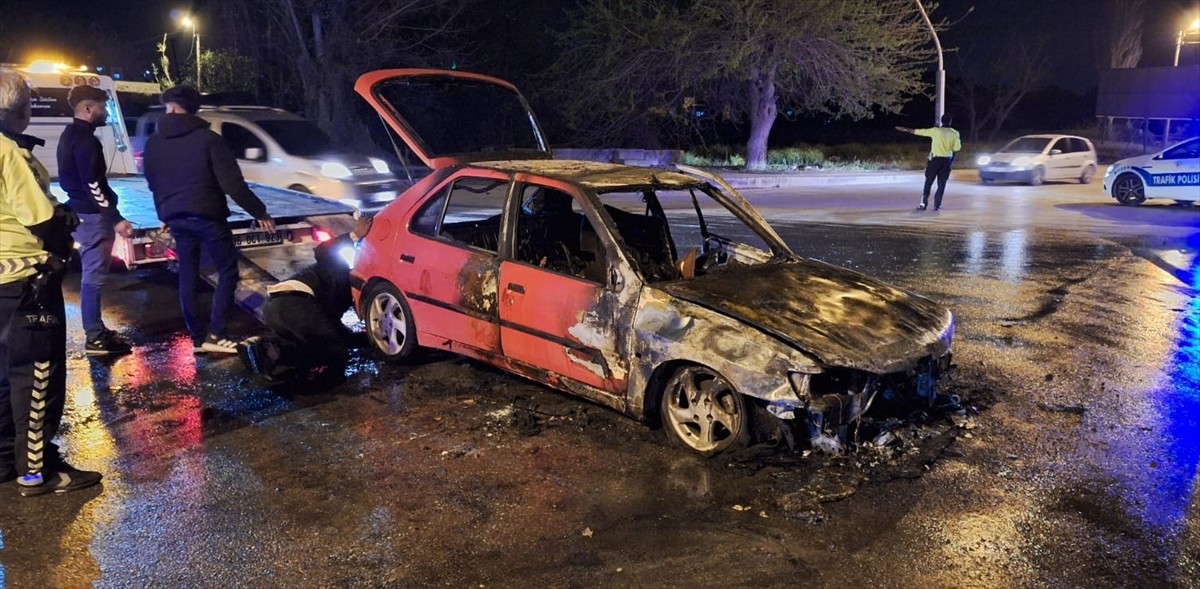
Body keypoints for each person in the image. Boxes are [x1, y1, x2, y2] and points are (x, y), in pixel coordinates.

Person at [1, 68, 103, 495]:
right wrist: (66, 230)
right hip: (27, 283)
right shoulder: (9, 152)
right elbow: (41, 217)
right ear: (19, 108)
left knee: (5, 377)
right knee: (37, 377)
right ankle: (36, 472)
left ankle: (8, 459)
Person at [143, 85, 275, 354]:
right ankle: (216, 333)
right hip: (208, 217)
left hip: (176, 217)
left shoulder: (153, 143)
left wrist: (165, 214)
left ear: (168, 107)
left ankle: (198, 337)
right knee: (227, 272)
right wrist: (260, 212)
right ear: (193, 108)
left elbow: (154, 183)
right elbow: (233, 185)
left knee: (188, 276)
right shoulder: (209, 139)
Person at [240, 215, 372, 382]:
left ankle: (272, 351)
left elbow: (341, 334)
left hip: (274, 308)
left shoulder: (335, 282)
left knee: (319, 345)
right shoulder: (341, 269)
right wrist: (356, 234)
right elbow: (322, 250)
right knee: (335, 352)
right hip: (296, 305)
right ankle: (270, 351)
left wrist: (373, 339)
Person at [57, 84, 133, 355]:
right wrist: (115, 217)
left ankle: (96, 329)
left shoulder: (69, 135)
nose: (105, 112)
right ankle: (95, 337)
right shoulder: (86, 140)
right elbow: (93, 184)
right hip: (93, 218)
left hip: (81, 211)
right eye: (102, 107)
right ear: (88, 109)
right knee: (94, 277)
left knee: (93, 275)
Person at [896, 114, 962, 211]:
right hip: (946, 161)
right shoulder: (955, 133)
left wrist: (906, 129)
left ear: (942, 121)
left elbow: (920, 131)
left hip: (934, 161)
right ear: (950, 122)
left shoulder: (936, 131)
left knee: (928, 182)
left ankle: (923, 204)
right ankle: (937, 205)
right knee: (942, 184)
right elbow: (957, 148)